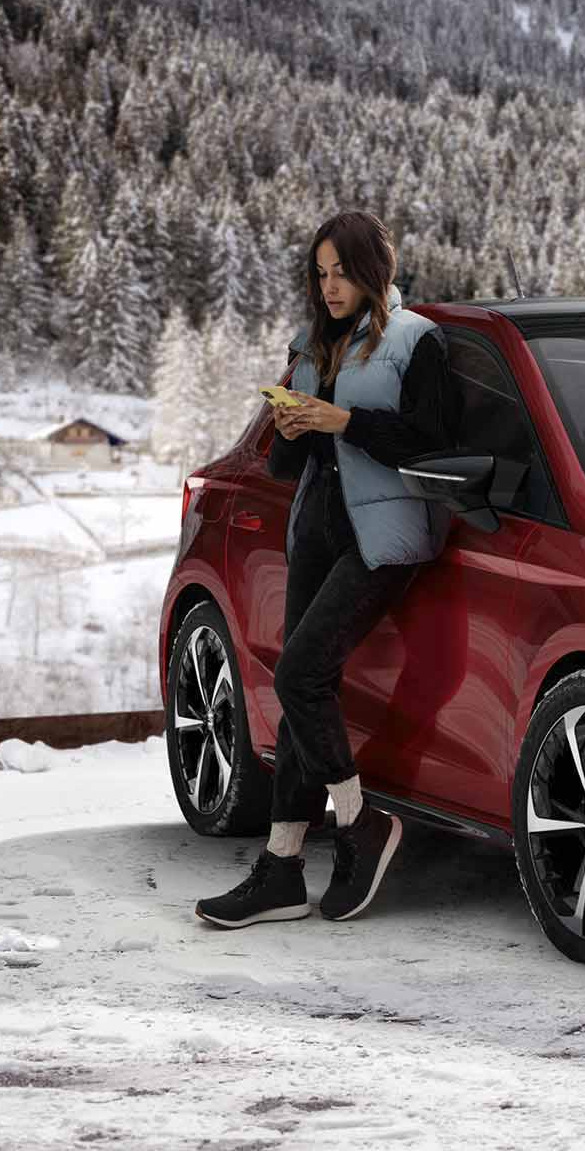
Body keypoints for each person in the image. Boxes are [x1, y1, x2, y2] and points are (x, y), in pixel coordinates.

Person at [195, 211, 462, 929]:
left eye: (342, 270)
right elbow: (289, 464)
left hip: (383, 533)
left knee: (298, 675)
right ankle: (282, 869)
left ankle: (361, 822)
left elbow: (434, 444)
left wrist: (343, 422)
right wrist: (290, 429)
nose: (329, 285)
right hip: (314, 527)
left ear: (377, 268)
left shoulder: (416, 342)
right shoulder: (311, 347)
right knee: (302, 695)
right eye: (320, 272)